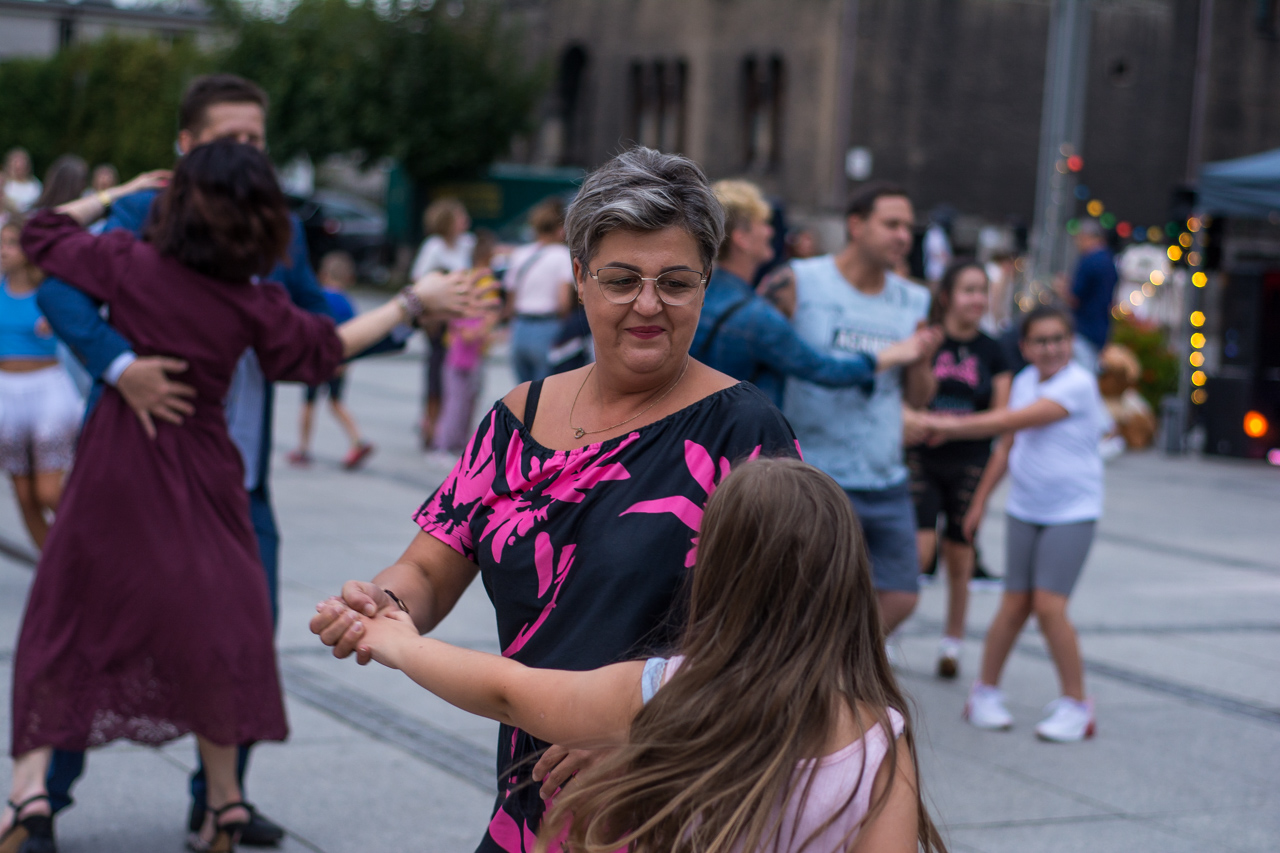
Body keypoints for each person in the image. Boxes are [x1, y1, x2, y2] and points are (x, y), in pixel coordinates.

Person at [310, 147, 803, 852]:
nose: (648, 305)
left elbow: (790, 645)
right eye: (622, 279)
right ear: (578, 276)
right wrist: (381, 605)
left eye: (676, 282)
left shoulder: (745, 430)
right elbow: (428, 566)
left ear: (706, 283)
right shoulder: (518, 415)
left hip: (678, 805)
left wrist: (651, 737)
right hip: (529, 807)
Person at [2, 144, 465, 853]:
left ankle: (29, 796)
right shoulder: (247, 300)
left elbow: (40, 233)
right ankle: (224, 803)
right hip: (203, 471)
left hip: (116, 463)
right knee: (224, 628)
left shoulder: (128, 262)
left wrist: (118, 188)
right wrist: (411, 300)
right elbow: (323, 350)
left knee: (66, 615)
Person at [336, 458, 948, 853]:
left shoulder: (667, 694)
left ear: (714, 568)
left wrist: (402, 644)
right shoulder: (881, 736)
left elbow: (511, 690)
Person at [922, 305, 1110, 742]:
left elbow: (1010, 420)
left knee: (1048, 607)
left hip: (1072, 512)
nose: (1050, 349)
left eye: (1058, 340)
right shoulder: (1025, 381)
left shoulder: (1078, 384)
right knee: (1013, 605)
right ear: (1024, 347)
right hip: (1025, 509)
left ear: (1071, 343)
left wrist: (940, 425)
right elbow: (1007, 445)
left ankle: (1077, 705)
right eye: (1040, 341)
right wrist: (978, 503)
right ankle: (984, 693)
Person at [783, 181, 940, 636]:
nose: (903, 236)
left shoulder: (914, 299)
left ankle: (837, 661)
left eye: (909, 227)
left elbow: (918, 396)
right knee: (810, 593)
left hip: (883, 471)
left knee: (902, 592)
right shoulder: (802, 280)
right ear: (856, 225)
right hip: (816, 472)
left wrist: (921, 359)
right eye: (891, 224)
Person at [694, 179, 936, 408]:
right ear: (741, 239)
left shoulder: (699, 296)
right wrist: (889, 356)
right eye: (764, 224)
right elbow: (823, 370)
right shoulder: (759, 314)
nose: (771, 232)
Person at [905, 260, 1012, 679]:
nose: (977, 300)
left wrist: (948, 426)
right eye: (968, 290)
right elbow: (911, 400)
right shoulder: (928, 340)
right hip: (923, 459)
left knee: (960, 553)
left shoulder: (995, 350)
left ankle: (952, 642)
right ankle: (887, 631)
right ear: (947, 296)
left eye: (982, 291)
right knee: (919, 550)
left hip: (970, 462)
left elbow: (1002, 417)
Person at [0, 218, 81, 549]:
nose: (3, 250)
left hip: (47, 389)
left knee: (47, 492)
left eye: (11, 243)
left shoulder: (51, 290)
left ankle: (94, 552)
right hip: (7, 393)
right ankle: (56, 575)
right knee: (23, 494)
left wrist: (58, 322)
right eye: (1, 242)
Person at [287, 251, 375, 469]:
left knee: (308, 403)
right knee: (336, 402)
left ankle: (304, 449)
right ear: (348, 278)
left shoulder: (319, 299)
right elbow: (355, 334)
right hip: (341, 361)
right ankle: (358, 439)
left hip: (317, 359)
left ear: (323, 275)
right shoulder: (347, 304)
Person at [411, 198, 476, 448]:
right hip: (439, 320)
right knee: (436, 372)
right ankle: (431, 423)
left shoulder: (465, 244)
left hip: (458, 319)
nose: (464, 221)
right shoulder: (435, 247)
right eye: (460, 216)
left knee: (454, 372)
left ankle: (448, 425)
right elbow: (419, 279)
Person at [432, 231, 502, 455]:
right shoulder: (487, 282)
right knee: (462, 402)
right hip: (470, 352)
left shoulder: (465, 277)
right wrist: (491, 326)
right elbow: (485, 322)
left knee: (458, 401)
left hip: (458, 349)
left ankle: (454, 444)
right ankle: (448, 445)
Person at [503, 197, 575, 384]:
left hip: (519, 326)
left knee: (523, 390)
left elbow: (510, 300)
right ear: (560, 229)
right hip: (548, 326)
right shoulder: (561, 256)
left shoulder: (519, 254)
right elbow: (563, 302)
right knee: (544, 391)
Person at [1056, 219, 1116, 370]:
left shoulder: (1089, 260)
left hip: (1083, 330)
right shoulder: (1109, 260)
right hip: (1101, 329)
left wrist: (1061, 289)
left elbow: (1074, 298)